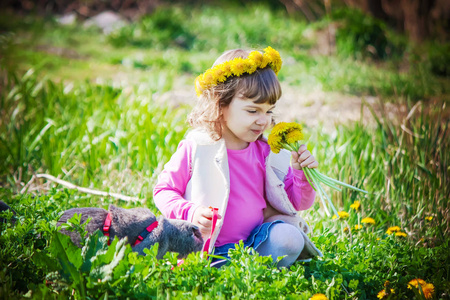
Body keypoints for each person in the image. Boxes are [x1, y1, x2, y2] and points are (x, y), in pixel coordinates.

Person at [153, 46, 322, 268]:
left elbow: (296, 202)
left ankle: (243, 268)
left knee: (290, 238)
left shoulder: (267, 152)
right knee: (199, 263)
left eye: (269, 111)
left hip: (255, 242)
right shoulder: (198, 147)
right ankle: (228, 268)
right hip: (207, 247)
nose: (263, 121)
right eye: (253, 111)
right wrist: (190, 212)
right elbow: (163, 191)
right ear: (220, 104)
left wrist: (301, 173)